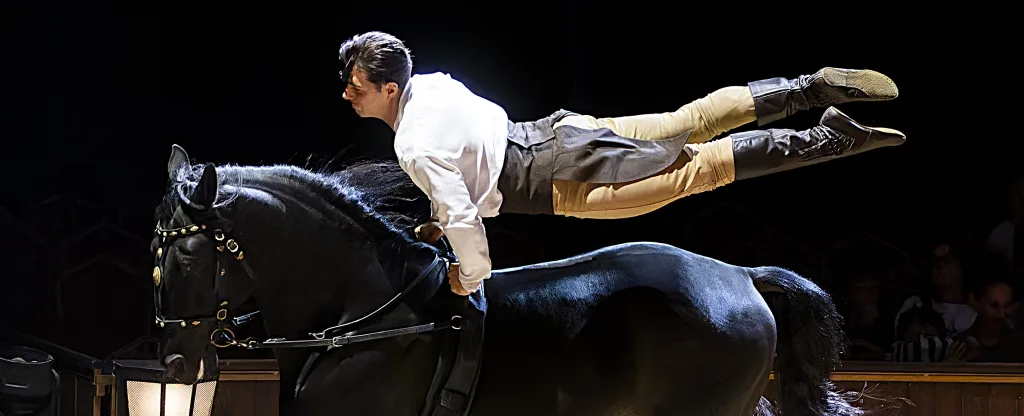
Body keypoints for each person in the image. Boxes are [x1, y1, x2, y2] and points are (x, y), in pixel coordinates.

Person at [338, 31, 905, 296]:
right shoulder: (435, 84)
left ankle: (827, 140)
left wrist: (470, 275)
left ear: (389, 89)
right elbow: (470, 162)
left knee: (698, 168)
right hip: (564, 131)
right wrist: (448, 209)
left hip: (561, 183)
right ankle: (807, 88)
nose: (348, 95)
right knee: (694, 118)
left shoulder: (410, 144)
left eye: (356, 86)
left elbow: (465, 217)